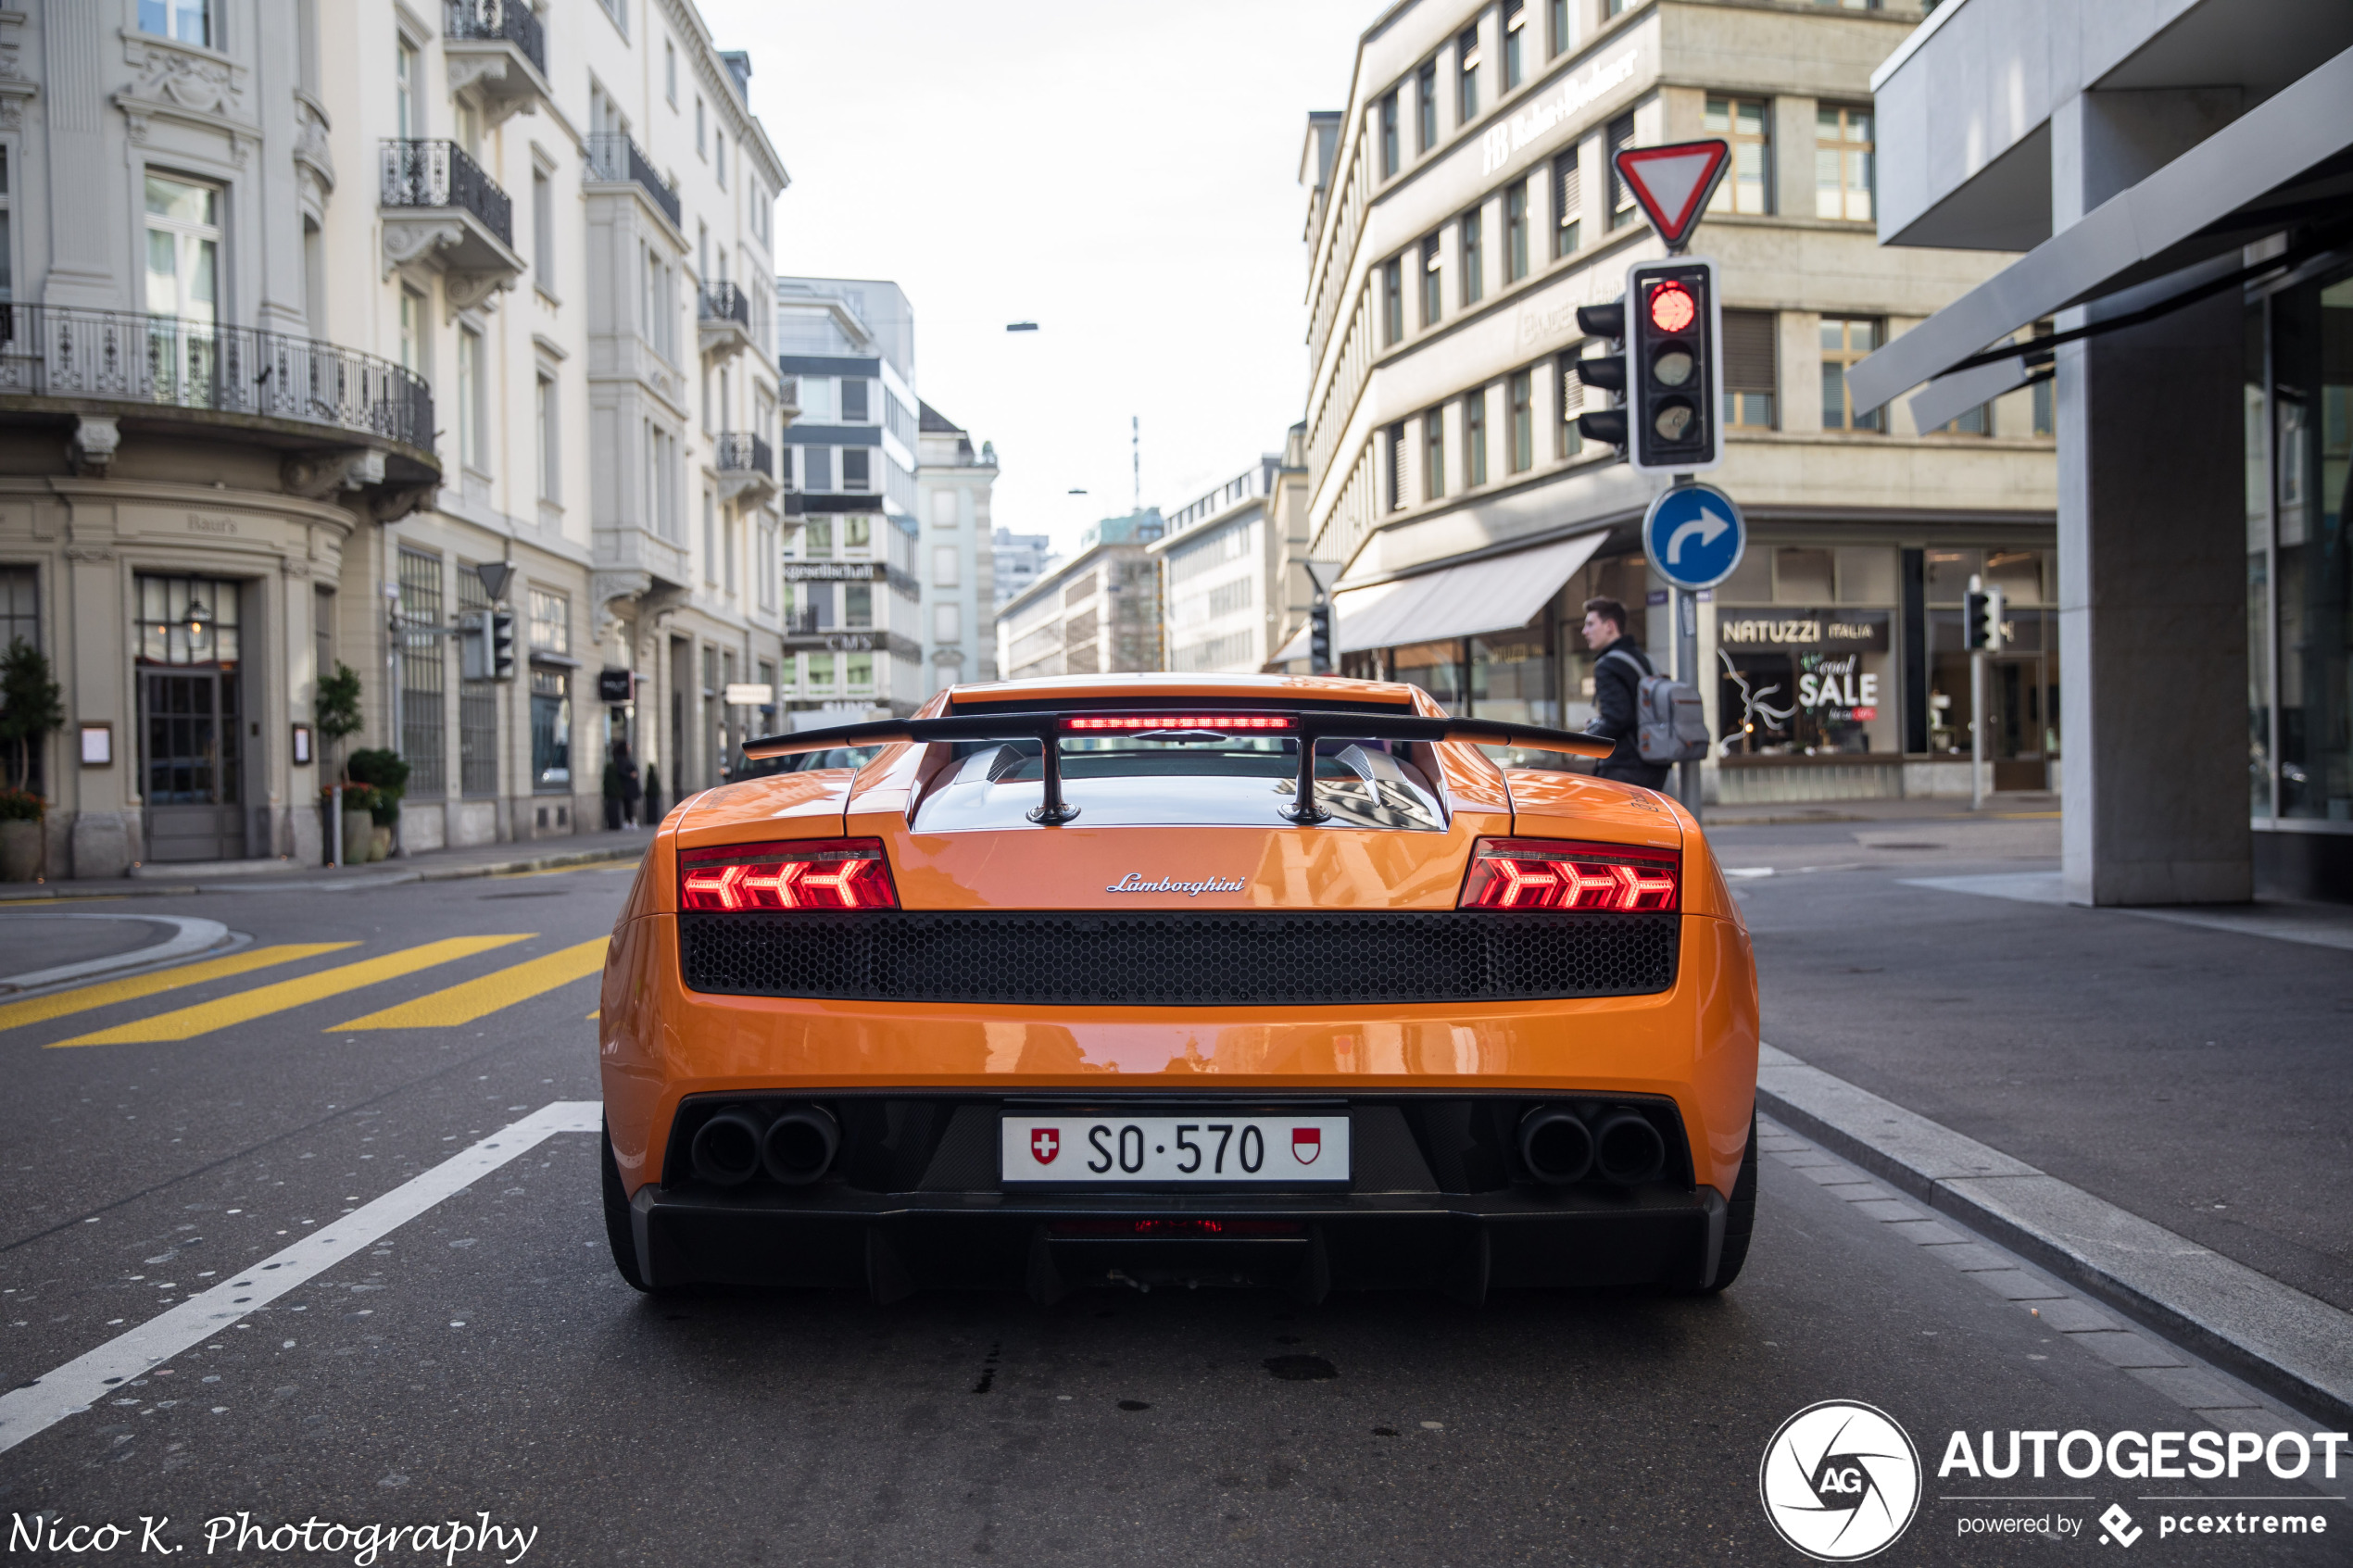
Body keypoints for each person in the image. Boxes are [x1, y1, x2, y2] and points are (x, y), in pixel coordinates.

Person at [1580, 596, 1671, 790]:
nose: (1584, 631)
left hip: (1624, 765)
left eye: (1590, 624)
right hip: (1654, 763)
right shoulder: (1643, 659)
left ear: (1610, 626)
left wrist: (1586, 739)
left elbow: (1617, 718)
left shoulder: (1607, 665)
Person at [615, 740, 643, 829]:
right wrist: (630, 775)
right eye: (628, 746)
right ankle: (629, 821)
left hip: (632, 786)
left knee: (632, 804)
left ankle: (631, 820)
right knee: (628, 804)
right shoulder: (621, 759)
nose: (630, 747)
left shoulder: (628, 758)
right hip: (626, 786)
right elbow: (620, 771)